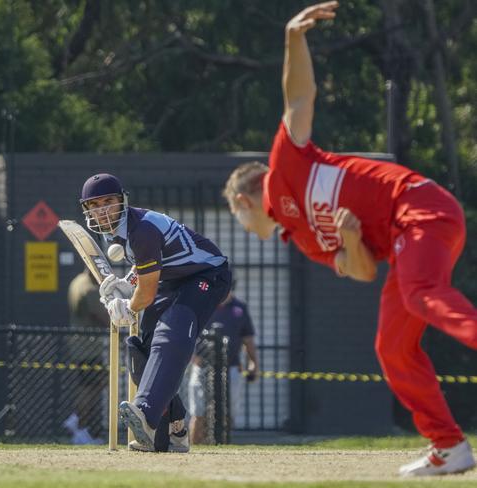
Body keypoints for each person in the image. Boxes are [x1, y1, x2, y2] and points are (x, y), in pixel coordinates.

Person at [223, 1, 477, 477]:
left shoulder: (284, 170)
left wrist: (292, 39)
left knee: (421, 296)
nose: (245, 230)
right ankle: (449, 445)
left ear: (242, 201)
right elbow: (361, 271)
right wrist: (351, 240)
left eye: (238, 219)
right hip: (406, 240)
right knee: (392, 348)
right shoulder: (303, 240)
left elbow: (299, 99)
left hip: (420, 207)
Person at [80, 173, 231, 452]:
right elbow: (148, 266)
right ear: (87, 209)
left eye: (108, 202)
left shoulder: (142, 230)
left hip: (207, 275)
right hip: (171, 281)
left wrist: (127, 306)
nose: (102, 210)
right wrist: (127, 284)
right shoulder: (120, 233)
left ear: (121, 201)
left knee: (173, 329)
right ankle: (175, 427)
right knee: (142, 350)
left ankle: (145, 412)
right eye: (94, 204)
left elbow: (146, 294)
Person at [188, 290, 258, 444]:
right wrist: (193, 357)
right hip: (202, 367)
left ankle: (223, 445)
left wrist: (253, 364)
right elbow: (187, 331)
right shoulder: (201, 304)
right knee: (198, 412)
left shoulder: (239, 308)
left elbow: (248, 339)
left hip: (231, 367)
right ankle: (196, 447)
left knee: (228, 412)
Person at [63, 268, 110, 445]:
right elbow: (105, 317)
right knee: (89, 386)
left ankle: (78, 423)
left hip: (82, 345)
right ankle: (78, 424)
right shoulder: (88, 288)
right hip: (88, 348)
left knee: (95, 382)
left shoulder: (76, 281)